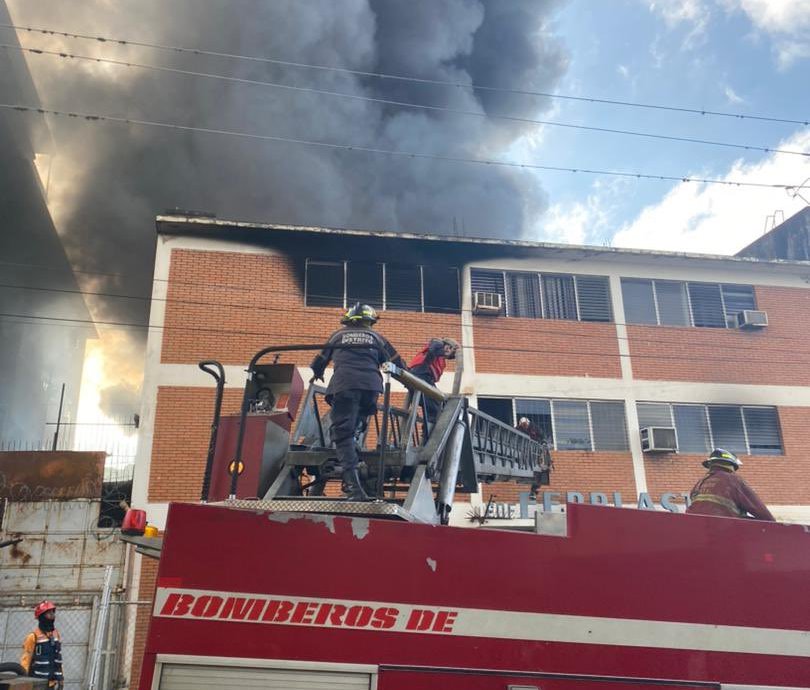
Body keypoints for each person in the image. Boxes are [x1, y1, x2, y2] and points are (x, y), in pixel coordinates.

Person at [310, 303, 407, 501]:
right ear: (370, 322)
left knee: (342, 435)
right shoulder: (377, 338)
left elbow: (318, 361)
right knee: (356, 424)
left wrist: (317, 374)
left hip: (344, 387)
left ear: (348, 320)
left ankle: (354, 487)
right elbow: (397, 363)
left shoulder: (338, 335)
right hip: (371, 389)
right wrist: (411, 382)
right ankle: (355, 437)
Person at [686, 448, 775, 521]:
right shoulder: (732, 480)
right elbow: (759, 509)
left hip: (696, 529)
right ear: (731, 465)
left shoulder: (700, 483)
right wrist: (774, 524)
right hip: (724, 529)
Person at [407, 337, 459, 422]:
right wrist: (443, 350)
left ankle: (429, 429)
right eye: (449, 349)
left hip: (426, 379)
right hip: (420, 375)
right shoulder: (437, 344)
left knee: (439, 404)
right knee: (435, 406)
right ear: (446, 346)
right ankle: (428, 431)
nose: (449, 352)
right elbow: (433, 349)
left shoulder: (441, 361)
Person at [20, 600, 64, 689]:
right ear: (41, 617)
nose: (52, 615)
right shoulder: (33, 637)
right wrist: (23, 681)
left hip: (52, 683)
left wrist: (61, 679)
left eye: (52, 612)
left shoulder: (56, 634)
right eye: (48, 613)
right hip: (37, 683)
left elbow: (58, 659)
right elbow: (26, 660)